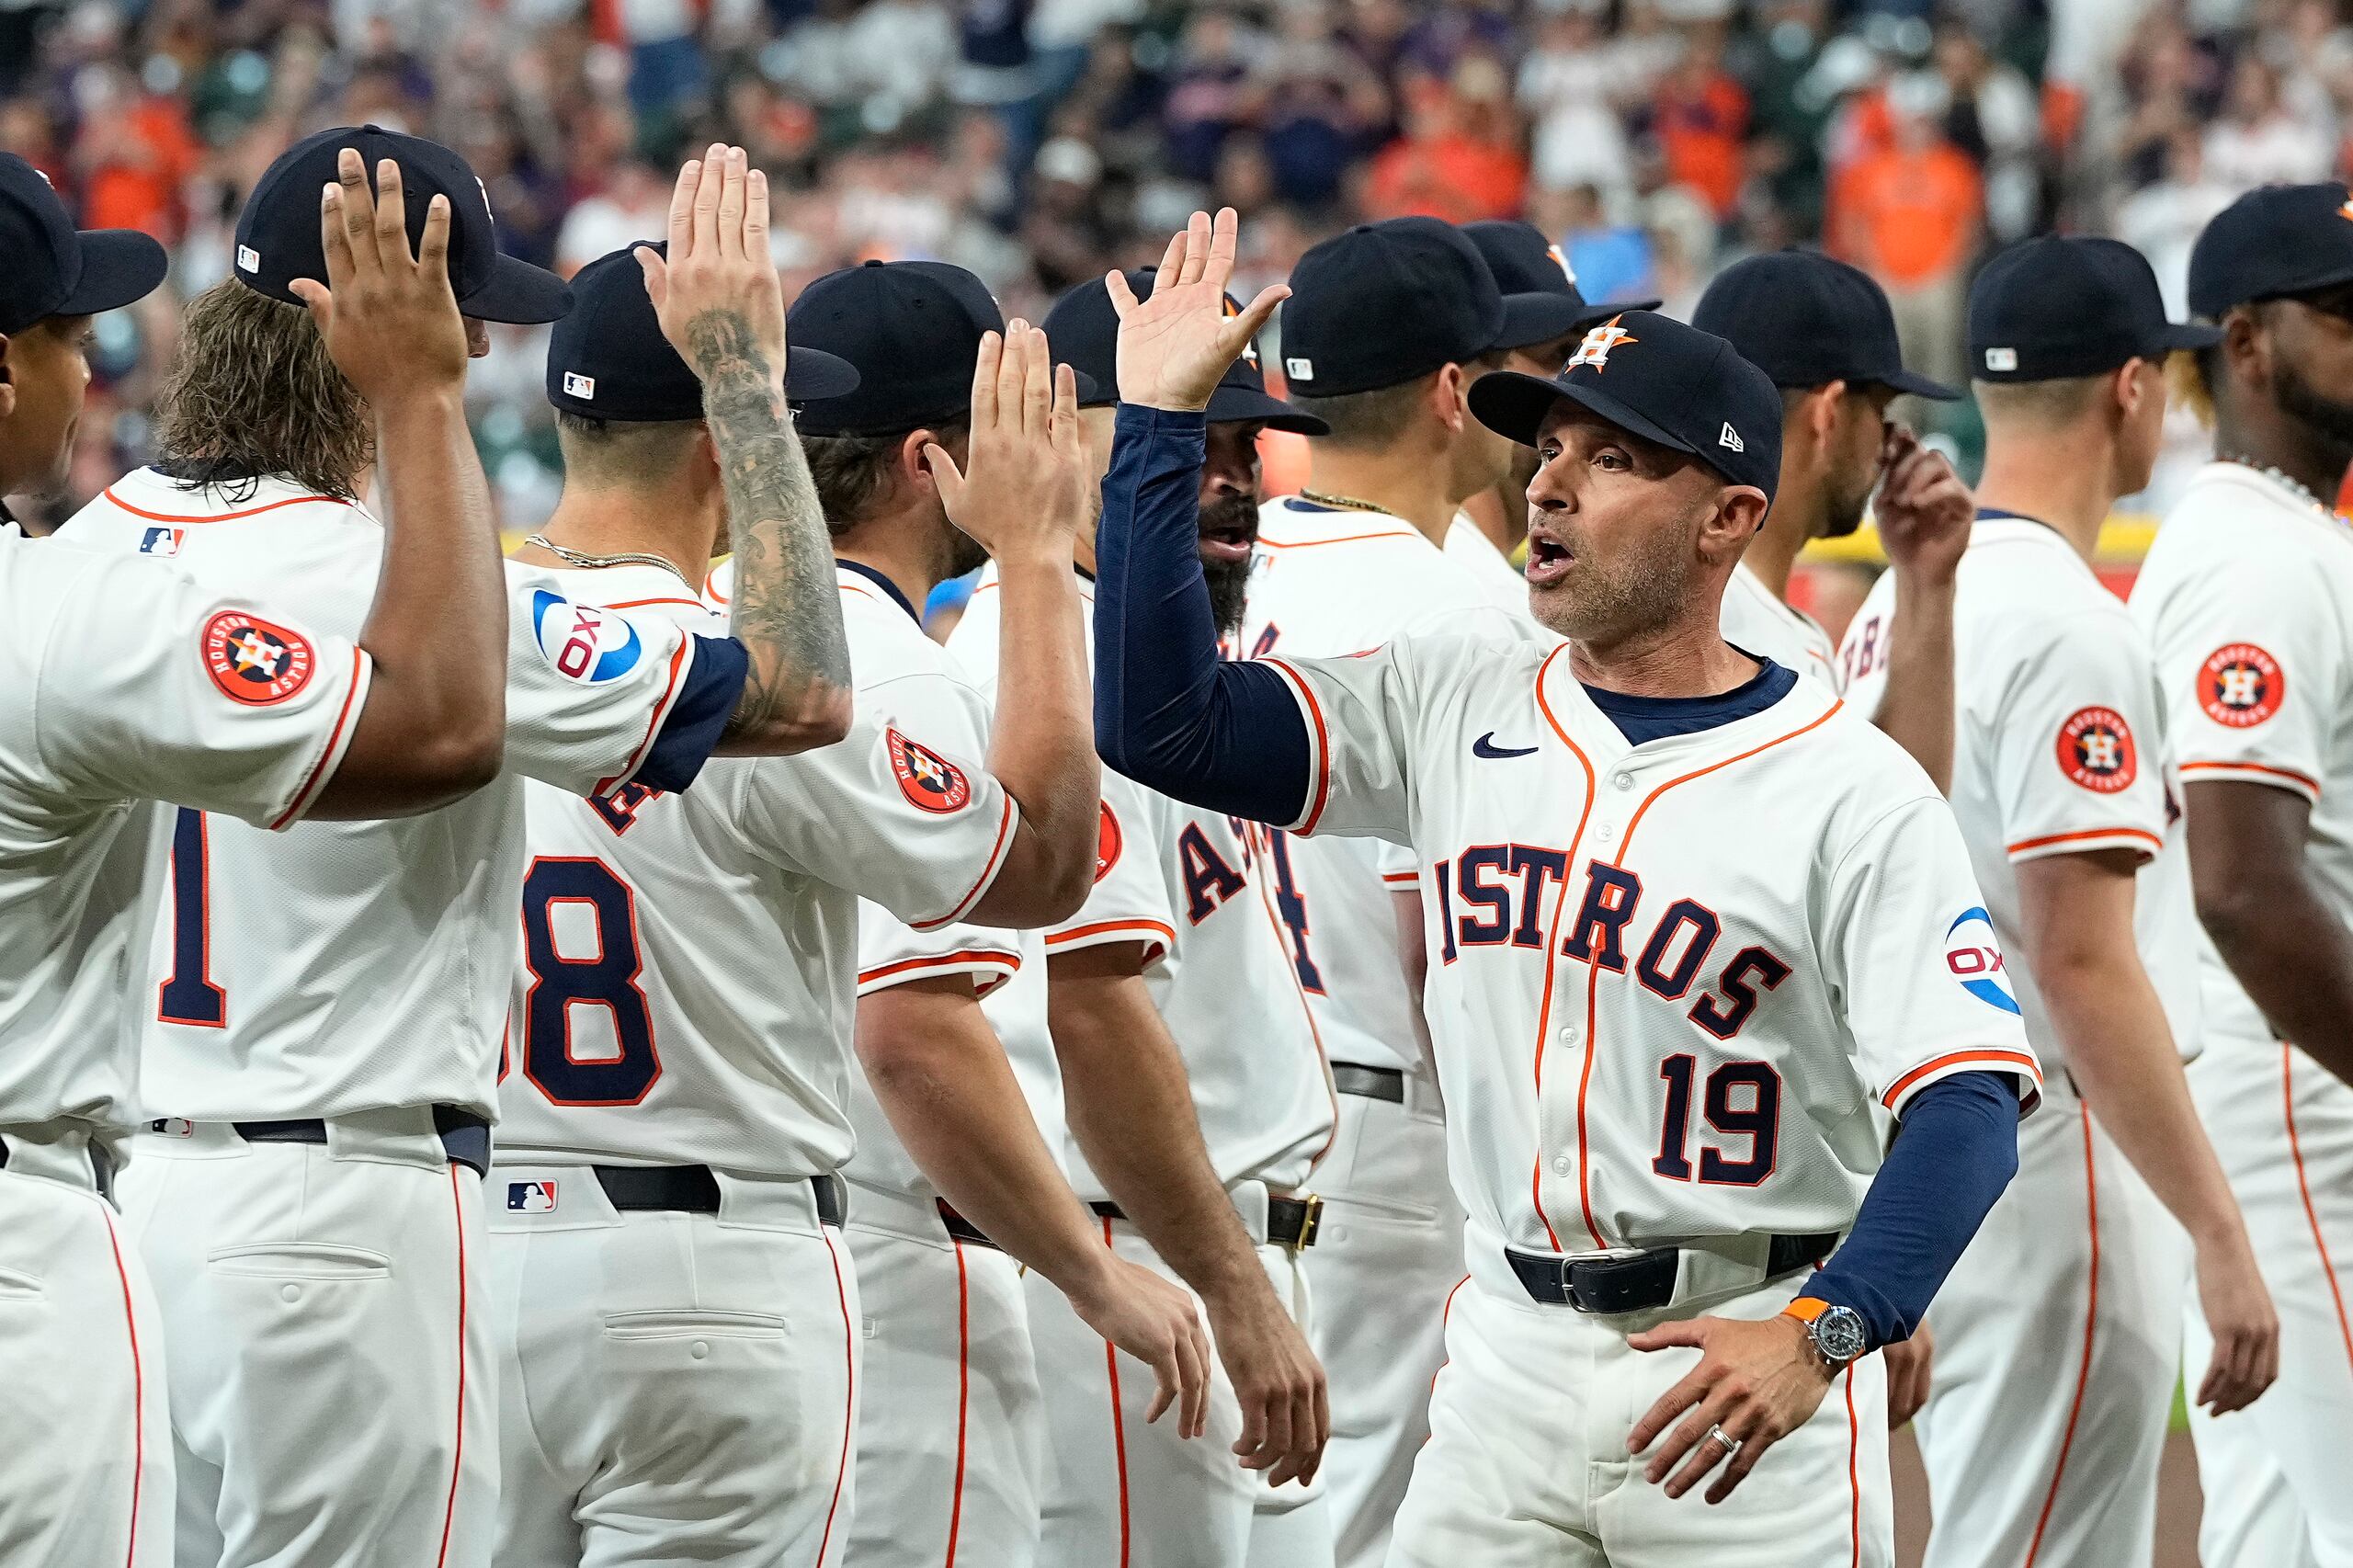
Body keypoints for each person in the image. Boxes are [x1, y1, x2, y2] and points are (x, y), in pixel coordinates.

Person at [1093, 208, 2039, 1567]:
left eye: (1612, 459)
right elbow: (1161, 727)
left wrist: (1832, 1327)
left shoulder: (1850, 785)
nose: (1548, 485)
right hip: (1505, 1361)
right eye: (1547, 447)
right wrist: (1160, 427)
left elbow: (1966, 1107)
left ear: (1729, 518)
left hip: (1737, 1380)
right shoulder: (1456, 689)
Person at [60, 136, 853, 1568]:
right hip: (343, 1223)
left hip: (133, 1213)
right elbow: (799, 687)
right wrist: (740, 374)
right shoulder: (406, 590)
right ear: (381, 326)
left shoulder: (78, 563)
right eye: (467, 319)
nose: (484, 346)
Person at [0, 144, 515, 1568]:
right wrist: (424, 398)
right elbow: (447, 720)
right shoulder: (55, 620)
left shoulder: (88, 562)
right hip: (193, 1212)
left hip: (153, 1180)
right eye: (65, 336)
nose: (91, 370)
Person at [721, 257, 1206, 1568]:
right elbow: (914, 1024)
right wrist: (1094, 1275)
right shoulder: (884, 664)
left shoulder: (681, 627)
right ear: (930, 458)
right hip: (881, 1257)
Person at [1844, 233, 2279, 1568]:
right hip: (2060, 1155)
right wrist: (2216, 1224)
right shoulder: (2073, 623)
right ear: (2134, 390)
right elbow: (2083, 962)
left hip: (1933, 1134)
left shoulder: (1897, 605)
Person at [947, 267, 1336, 1568]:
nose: (1232, 477)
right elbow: (1092, 1009)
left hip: (1197, 1248)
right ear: (1063, 435)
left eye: (1244, 443)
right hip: (1137, 1269)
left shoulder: (1136, 653)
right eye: (1187, 435)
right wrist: (1232, 1287)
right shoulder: (1042, 664)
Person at [1240, 215, 1575, 1568]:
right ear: (1453, 392)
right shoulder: (1459, 609)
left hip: (1249, 1109)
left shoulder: (1236, 564)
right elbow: (1441, 935)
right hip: (1391, 1131)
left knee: (1269, 1521)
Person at [2132, 181, 2353, 1568]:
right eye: (2341, 316)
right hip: (2298, 1099)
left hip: (2260, 1082)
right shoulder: (2263, 558)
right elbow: (2244, 880)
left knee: (2277, 1520)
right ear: (2246, 342)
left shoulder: (2252, 539)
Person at [1691, 250, 1974, 790]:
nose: (1891, 441)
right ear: (1829, 413)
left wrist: (1924, 585)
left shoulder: (1699, 598)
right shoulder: (1721, 630)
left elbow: (1891, 811)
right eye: (1881, 411)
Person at [1449, 219, 1655, 609]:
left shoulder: (1506, 582)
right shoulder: (1459, 594)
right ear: (1462, 377)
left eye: (1586, 355)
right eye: (1560, 356)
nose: (1583, 384)